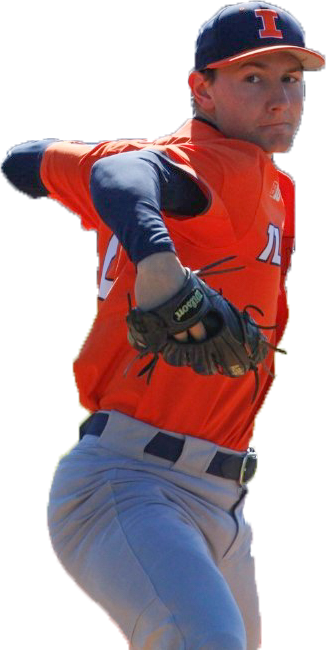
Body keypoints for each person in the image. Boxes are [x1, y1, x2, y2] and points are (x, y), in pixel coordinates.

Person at [2, 2, 325, 648]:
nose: (278, 97)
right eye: (252, 78)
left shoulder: (248, 179)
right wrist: (158, 264)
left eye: (290, 77)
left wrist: (107, 166)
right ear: (200, 89)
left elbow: (25, 161)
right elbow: (122, 175)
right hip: (132, 485)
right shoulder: (206, 164)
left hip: (218, 499)